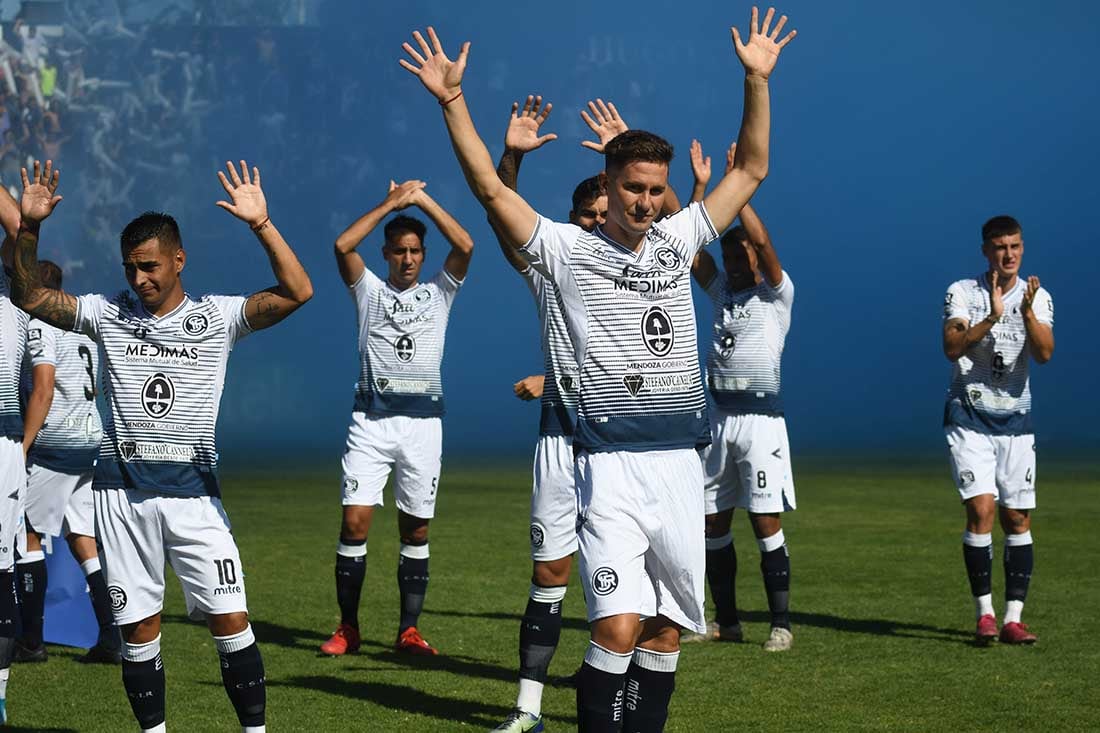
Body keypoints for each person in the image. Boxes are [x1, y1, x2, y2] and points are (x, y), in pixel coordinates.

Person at [399, 9, 796, 729]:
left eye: (655, 189)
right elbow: (492, 192)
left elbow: (752, 168)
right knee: (615, 627)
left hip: (682, 462)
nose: (645, 201)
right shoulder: (565, 250)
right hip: (607, 465)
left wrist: (756, 79)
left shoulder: (678, 239)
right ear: (607, 185)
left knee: (668, 632)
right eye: (632, 187)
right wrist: (454, 102)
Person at [11, 159, 313, 733]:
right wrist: (29, 226)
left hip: (196, 497)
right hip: (122, 498)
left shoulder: (217, 318)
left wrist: (262, 224)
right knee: (140, 633)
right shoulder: (108, 314)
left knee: (231, 622)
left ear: (178, 260)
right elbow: (28, 295)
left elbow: (299, 290)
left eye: (150, 267)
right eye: (131, 269)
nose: (140, 279)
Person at [321, 179, 473, 658]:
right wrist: (390, 203)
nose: (407, 259)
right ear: (386, 254)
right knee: (355, 523)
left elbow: (465, 244)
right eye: (399, 251)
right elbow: (343, 244)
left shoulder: (439, 293)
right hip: (371, 422)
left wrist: (423, 199)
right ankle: (348, 628)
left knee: (417, 531)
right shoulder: (368, 292)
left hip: (424, 427)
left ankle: (409, 631)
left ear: (423, 255)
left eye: (414, 251)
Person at [490, 95, 596, 733]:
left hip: (625, 445)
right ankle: (528, 708)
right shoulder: (553, 267)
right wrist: (511, 159)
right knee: (550, 572)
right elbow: (505, 221)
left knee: (627, 581)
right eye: (585, 216)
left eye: (604, 215)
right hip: (561, 439)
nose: (594, 225)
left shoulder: (646, 268)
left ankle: (612, 690)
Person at [681, 140, 796, 651]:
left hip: (762, 423)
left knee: (764, 521)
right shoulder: (722, 294)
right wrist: (703, 189)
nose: (731, 261)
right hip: (719, 422)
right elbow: (682, 243)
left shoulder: (776, 294)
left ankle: (781, 623)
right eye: (726, 254)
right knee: (713, 524)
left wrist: (740, 189)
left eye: (738, 251)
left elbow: (766, 243)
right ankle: (727, 623)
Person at [942, 215, 1054, 645]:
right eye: (1000, 247)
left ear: (1022, 249)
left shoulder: (1037, 296)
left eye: (1015, 246)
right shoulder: (962, 293)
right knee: (982, 510)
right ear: (986, 251)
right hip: (969, 420)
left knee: (1017, 517)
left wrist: (1024, 312)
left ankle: (1013, 619)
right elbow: (951, 347)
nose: (1008, 255)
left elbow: (1044, 354)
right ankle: (985, 615)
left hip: (1016, 423)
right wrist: (991, 317)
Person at [16, 259, 119, 665]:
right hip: (89, 441)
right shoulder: (81, 328)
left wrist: (24, 445)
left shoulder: (40, 324)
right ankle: (111, 637)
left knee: (28, 533)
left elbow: (43, 388)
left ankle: (31, 640)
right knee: (83, 539)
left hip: (56, 445)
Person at [0, 183, 29, 725]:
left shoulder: (16, 312)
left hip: (2, 440)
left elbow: (20, 234)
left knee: (2, 567)